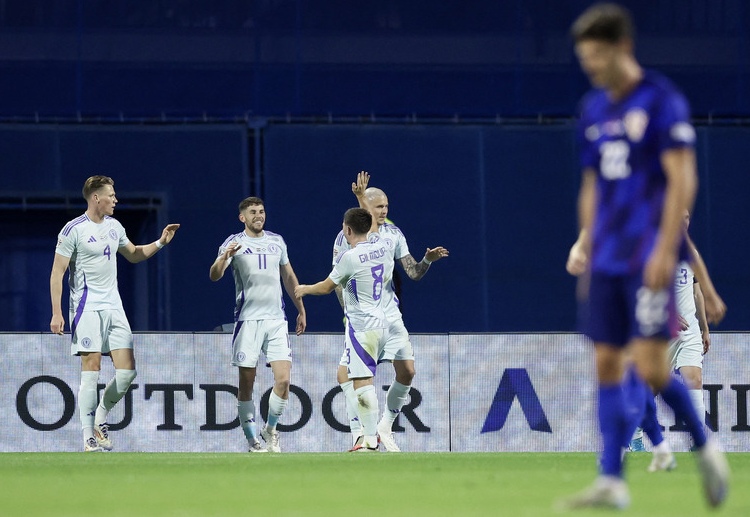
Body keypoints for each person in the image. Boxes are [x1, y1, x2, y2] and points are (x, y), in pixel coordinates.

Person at [563, 3, 729, 509]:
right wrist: (583, 243)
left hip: (647, 254)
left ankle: (706, 447)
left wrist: (664, 248)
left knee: (654, 368)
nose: (591, 68)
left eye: (597, 58)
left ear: (622, 48)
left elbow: (683, 177)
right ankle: (612, 480)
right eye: (584, 59)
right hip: (608, 257)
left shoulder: (661, 101)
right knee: (608, 363)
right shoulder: (594, 110)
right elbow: (592, 186)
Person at [49, 175, 180, 452]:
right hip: (86, 308)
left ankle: (99, 417)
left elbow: (133, 254)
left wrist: (161, 242)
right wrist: (57, 313)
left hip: (114, 307)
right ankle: (88, 436)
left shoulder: (115, 226)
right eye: (111, 195)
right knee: (92, 369)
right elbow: (57, 273)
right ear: (96, 198)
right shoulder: (73, 230)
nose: (116, 200)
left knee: (127, 372)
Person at [332, 171, 449, 451]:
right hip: (361, 317)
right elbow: (338, 279)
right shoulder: (347, 236)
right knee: (351, 374)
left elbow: (413, 273)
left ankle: (385, 426)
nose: (383, 211)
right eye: (377, 207)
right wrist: (349, 312)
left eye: (386, 206)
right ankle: (360, 432)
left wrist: (427, 260)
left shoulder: (393, 234)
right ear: (365, 208)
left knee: (407, 371)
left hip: (391, 316)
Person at [209, 197, 306, 453]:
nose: (258, 216)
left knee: (283, 381)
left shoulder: (277, 241)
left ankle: (271, 429)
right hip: (248, 321)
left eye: (261, 211)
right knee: (246, 384)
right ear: (243, 217)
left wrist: (301, 309)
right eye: (253, 212)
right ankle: (252, 439)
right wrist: (224, 258)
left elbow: (288, 276)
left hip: (276, 320)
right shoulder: (234, 243)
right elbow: (214, 275)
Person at [297, 207, 392, 452]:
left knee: (362, 384)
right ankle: (361, 433)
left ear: (347, 229)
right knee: (343, 374)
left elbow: (327, 287)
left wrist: (304, 289)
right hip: (379, 322)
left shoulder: (349, 257)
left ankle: (370, 441)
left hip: (361, 327)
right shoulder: (381, 246)